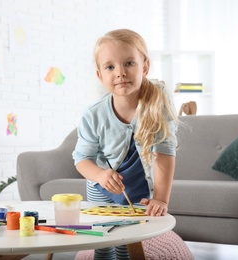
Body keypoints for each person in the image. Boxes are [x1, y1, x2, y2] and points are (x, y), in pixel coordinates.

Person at [72, 29, 179, 260]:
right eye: (110, 67)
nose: (120, 73)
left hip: (138, 188)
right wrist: (100, 175)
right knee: (102, 241)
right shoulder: (93, 114)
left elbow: (164, 151)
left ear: (145, 67)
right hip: (101, 188)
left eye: (129, 63)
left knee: (127, 241)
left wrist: (161, 198)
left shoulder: (157, 98)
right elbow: (81, 159)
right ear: (100, 75)